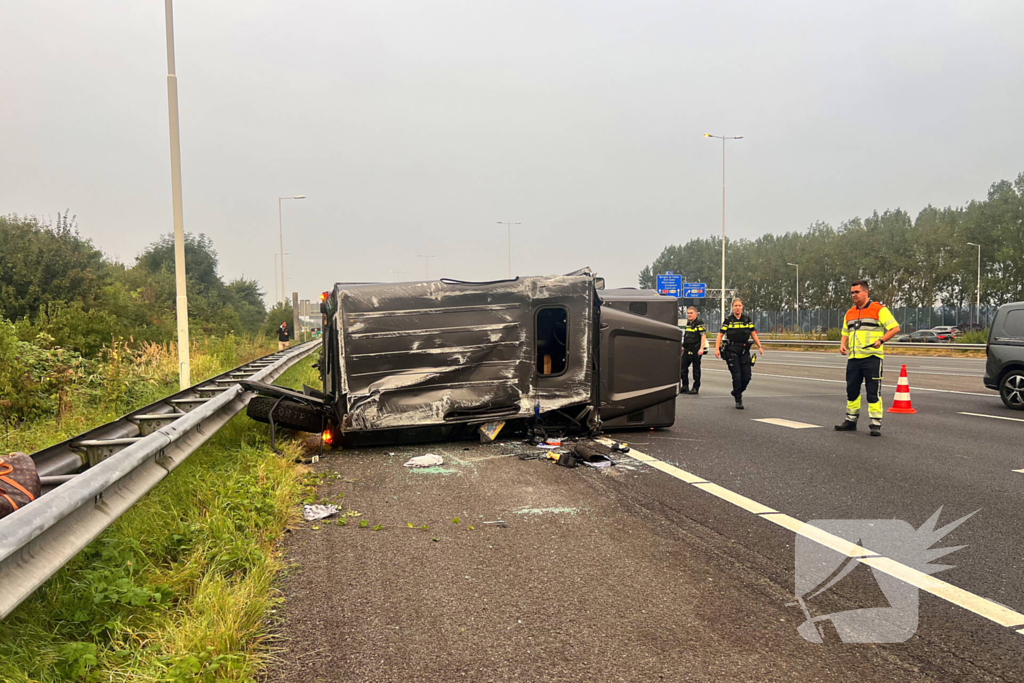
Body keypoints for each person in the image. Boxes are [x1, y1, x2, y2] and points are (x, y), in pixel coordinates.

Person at [835, 279, 900, 437]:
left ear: (866, 292)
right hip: (854, 358)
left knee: (873, 392)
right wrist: (843, 344)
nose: (854, 295)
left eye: (857, 292)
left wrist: (881, 340)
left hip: (872, 358)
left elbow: (895, 327)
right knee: (852, 390)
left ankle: (875, 423)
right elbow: (845, 332)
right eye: (852, 293)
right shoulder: (850, 312)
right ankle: (850, 420)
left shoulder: (879, 309)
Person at [715, 298, 765, 409]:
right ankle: (738, 398)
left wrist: (760, 346)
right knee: (737, 376)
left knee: (747, 376)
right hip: (732, 350)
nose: (737, 307)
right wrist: (717, 348)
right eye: (735, 306)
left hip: (744, 351)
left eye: (739, 305)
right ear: (732, 307)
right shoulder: (728, 320)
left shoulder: (747, 319)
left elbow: (753, 334)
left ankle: (737, 391)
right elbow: (720, 335)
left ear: (742, 307)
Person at [680, 306, 706, 394]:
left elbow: (703, 336)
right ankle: (685, 386)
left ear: (695, 314)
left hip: (696, 349)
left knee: (696, 369)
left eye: (691, 313)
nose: (689, 315)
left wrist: (701, 348)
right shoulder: (688, 323)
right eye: (688, 313)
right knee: (682, 368)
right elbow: (686, 336)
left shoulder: (699, 323)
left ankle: (695, 387)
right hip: (687, 349)